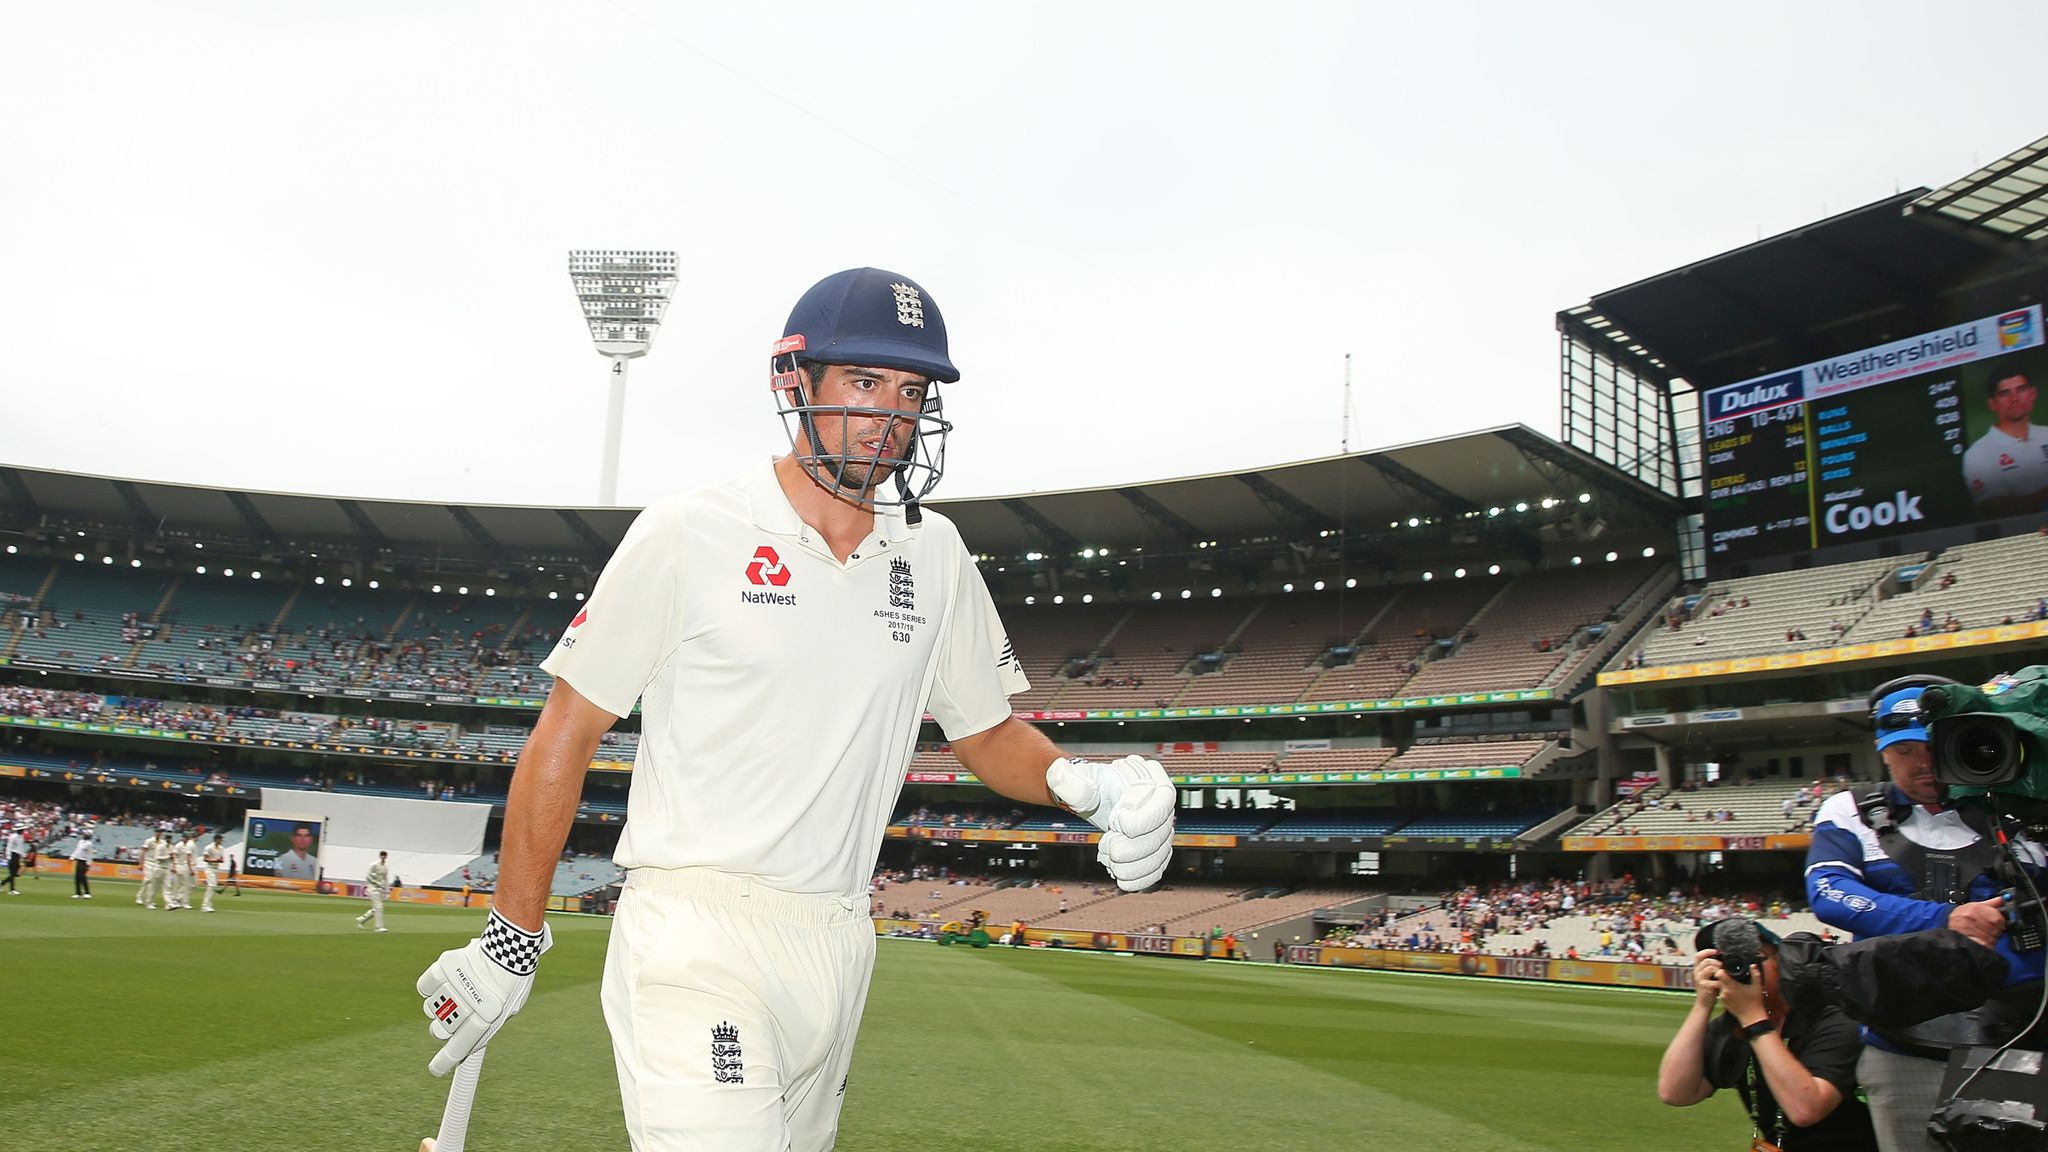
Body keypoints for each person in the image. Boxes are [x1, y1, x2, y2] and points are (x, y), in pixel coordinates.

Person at [412, 268, 1176, 1152]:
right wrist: (514, 933)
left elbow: (986, 731)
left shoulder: (935, 555)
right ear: (793, 383)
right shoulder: (689, 531)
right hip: (696, 929)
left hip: (840, 940)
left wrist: (1085, 784)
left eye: (911, 390)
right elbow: (566, 730)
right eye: (864, 382)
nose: (891, 414)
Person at [1805, 676, 2048, 1152]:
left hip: (2016, 1039)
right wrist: (1945, 920)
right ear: (1882, 751)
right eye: (1907, 751)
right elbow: (1829, 891)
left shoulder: (2021, 809)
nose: (1925, 764)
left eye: (1936, 747)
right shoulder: (1849, 810)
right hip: (1903, 1046)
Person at [1656, 920, 1875, 1150]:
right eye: (1726, 960)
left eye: (1757, 956)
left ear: (1783, 961)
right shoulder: (1733, 1027)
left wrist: (1755, 1020)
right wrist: (1703, 1003)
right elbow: (1675, 1093)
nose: (1742, 968)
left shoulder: (1833, 1017)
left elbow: (1806, 1110)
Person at [1961, 366, 2048, 516]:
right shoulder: (1978, 454)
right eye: (2004, 393)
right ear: (1992, 403)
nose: (2014, 399)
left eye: (2021, 389)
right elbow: (1995, 508)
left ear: (2033, 393)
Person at [357, 850, 391, 932]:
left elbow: (385, 879)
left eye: (385, 855)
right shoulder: (374, 865)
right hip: (372, 888)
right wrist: (376, 883)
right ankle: (378, 927)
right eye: (382, 855)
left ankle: (362, 920)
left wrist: (387, 890)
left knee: (376, 908)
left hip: (380, 889)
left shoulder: (385, 867)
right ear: (380, 856)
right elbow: (368, 877)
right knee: (379, 906)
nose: (383, 857)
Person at [138, 828, 171, 908]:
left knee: (153, 882)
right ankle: (139, 896)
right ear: (155, 832)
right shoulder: (149, 841)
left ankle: (150, 900)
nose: (159, 834)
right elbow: (143, 852)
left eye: (160, 832)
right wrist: (141, 863)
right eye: (158, 832)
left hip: (157, 864)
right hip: (148, 862)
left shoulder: (163, 842)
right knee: (148, 879)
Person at [167, 830, 195, 910]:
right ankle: (174, 901)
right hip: (178, 865)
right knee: (177, 885)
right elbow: (173, 856)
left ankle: (184, 902)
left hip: (185, 866)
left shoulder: (188, 846)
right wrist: (174, 866)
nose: (187, 839)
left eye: (188, 837)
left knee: (186, 885)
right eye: (186, 837)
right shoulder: (178, 845)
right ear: (183, 837)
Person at [198, 834, 226, 913]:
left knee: (213, 886)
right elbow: (205, 858)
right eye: (220, 840)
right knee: (211, 885)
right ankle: (204, 906)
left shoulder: (221, 848)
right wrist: (215, 860)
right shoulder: (209, 847)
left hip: (216, 869)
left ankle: (209, 905)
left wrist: (219, 860)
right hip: (209, 868)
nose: (221, 841)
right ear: (216, 840)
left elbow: (221, 859)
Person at [70, 828, 94, 898]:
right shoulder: (80, 842)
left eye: (86, 834)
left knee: (82, 877)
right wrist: (72, 857)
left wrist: (89, 863)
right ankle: (78, 893)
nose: (84, 835)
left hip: (84, 861)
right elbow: (77, 850)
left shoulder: (89, 844)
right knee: (77, 877)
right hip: (78, 860)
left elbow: (90, 854)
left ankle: (87, 893)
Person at [2, 824, 23, 894]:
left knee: (14, 874)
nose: (23, 831)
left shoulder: (21, 837)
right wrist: (8, 856)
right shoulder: (13, 837)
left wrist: (22, 855)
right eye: (22, 829)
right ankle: (12, 889)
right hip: (12, 855)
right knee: (13, 874)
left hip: (17, 855)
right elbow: (9, 846)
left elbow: (20, 847)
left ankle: (2, 884)